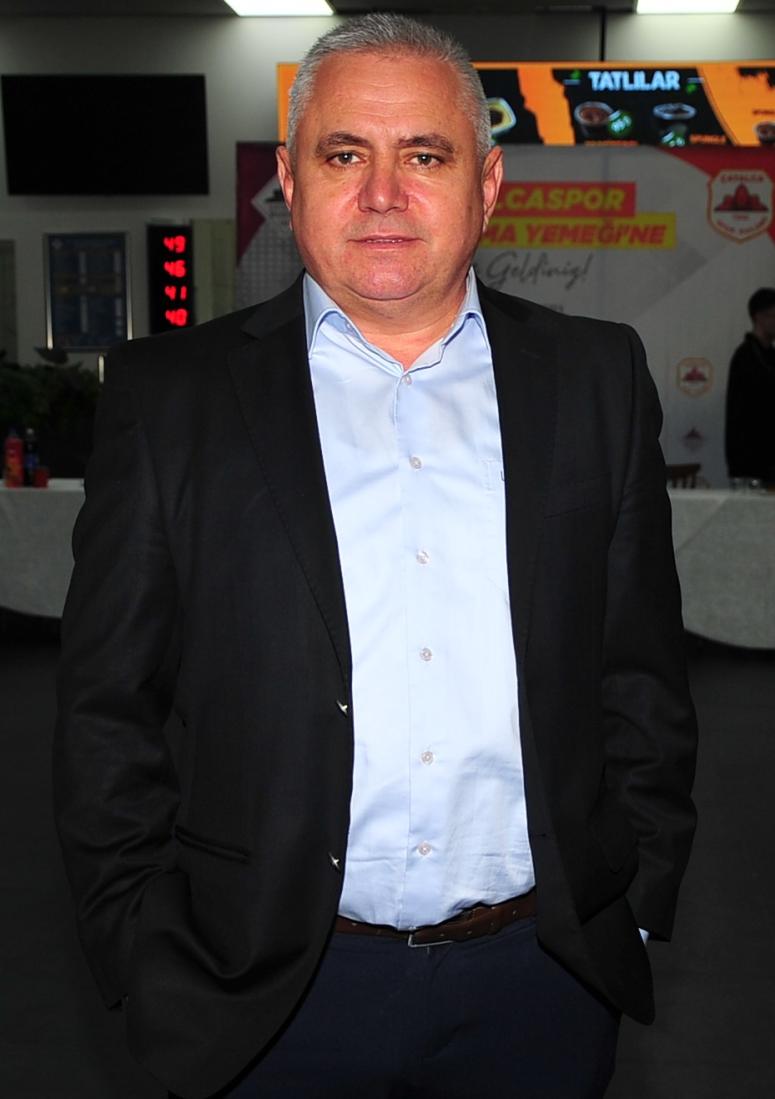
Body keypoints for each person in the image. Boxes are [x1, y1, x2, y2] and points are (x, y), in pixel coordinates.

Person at [54, 14, 698, 1099]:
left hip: (541, 984)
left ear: (487, 185)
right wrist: (141, 943)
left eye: (425, 156)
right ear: (291, 182)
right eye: (345, 153)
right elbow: (105, 707)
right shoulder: (171, 399)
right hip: (260, 995)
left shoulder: (594, 378)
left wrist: (630, 904)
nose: (383, 193)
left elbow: (639, 672)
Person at [725, 286, 775, 485]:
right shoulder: (745, 357)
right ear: (759, 317)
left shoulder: (769, 356)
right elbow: (740, 415)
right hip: (750, 462)